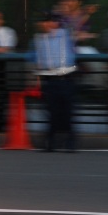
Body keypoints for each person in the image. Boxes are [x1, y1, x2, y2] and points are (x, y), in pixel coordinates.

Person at [31, 11, 78, 151]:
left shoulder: (65, 34)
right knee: (52, 112)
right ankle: (51, 143)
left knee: (67, 112)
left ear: (56, 23)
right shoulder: (38, 39)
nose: (46, 24)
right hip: (49, 78)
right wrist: (38, 79)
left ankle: (70, 143)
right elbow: (38, 60)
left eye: (50, 21)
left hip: (66, 76)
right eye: (45, 21)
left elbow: (75, 23)